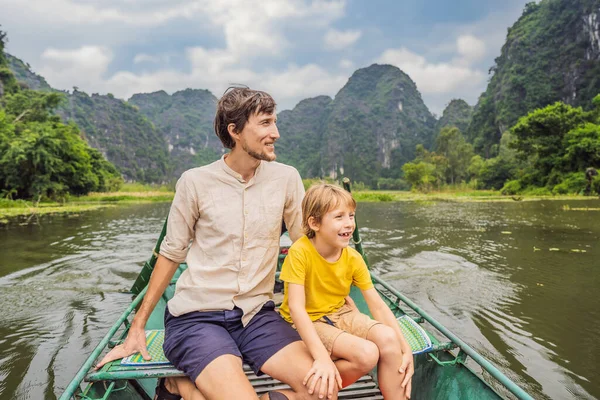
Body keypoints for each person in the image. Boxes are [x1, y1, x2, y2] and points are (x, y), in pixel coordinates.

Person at [97, 87, 332, 400]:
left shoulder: (286, 178)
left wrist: (342, 302)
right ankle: (181, 385)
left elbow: (307, 246)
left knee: (323, 389)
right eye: (264, 124)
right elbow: (170, 255)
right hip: (197, 318)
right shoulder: (195, 182)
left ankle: (192, 392)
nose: (275, 133)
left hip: (256, 315)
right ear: (234, 131)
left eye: (274, 123)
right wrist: (137, 326)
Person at [278, 184, 414, 400]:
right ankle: (309, 393)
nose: (349, 224)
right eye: (339, 216)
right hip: (307, 321)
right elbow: (296, 308)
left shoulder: (352, 258)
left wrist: (405, 349)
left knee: (389, 339)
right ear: (314, 223)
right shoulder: (300, 253)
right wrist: (321, 356)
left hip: (340, 314)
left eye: (351, 215)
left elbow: (377, 305)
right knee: (367, 353)